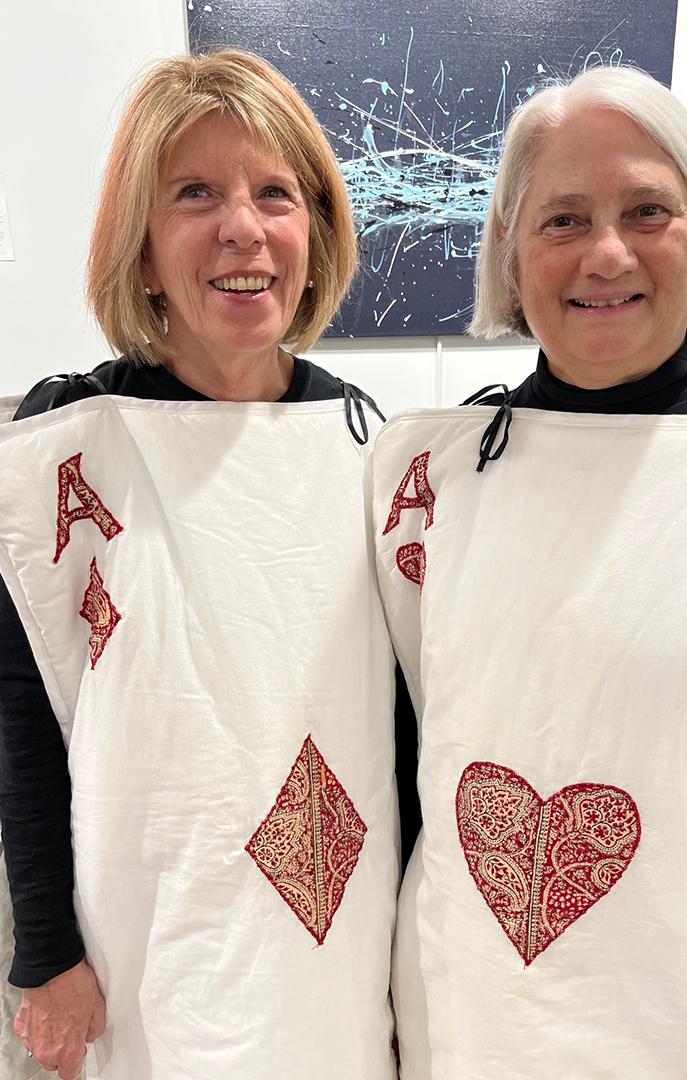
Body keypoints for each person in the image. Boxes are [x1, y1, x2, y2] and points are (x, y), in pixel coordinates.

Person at [371, 65, 687, 1078]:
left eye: (646, 210)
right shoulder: (434, 475)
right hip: (469, 1020)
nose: (606, 254)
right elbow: (403, 755)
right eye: (562, 219)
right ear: (510, 250)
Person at [0, 49, 400, 1080]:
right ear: (139, 250)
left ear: (314, 235)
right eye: (195, 194)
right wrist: (45, 952)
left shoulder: (370, 446)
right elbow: (24, 718)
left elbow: (399, 715)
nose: (242, 228)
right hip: (147, 935)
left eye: (276, 193)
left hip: (337, 946)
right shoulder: (71, 442)